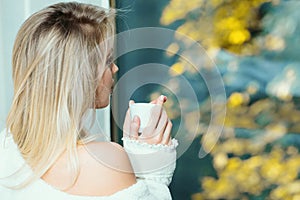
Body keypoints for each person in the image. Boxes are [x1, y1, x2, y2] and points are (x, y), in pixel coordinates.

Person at [0, 2, 177, 200]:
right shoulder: (105, 163)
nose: (115, 68)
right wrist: (151, 173)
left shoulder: (5, 150)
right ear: (81, 77)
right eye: (108, 60)